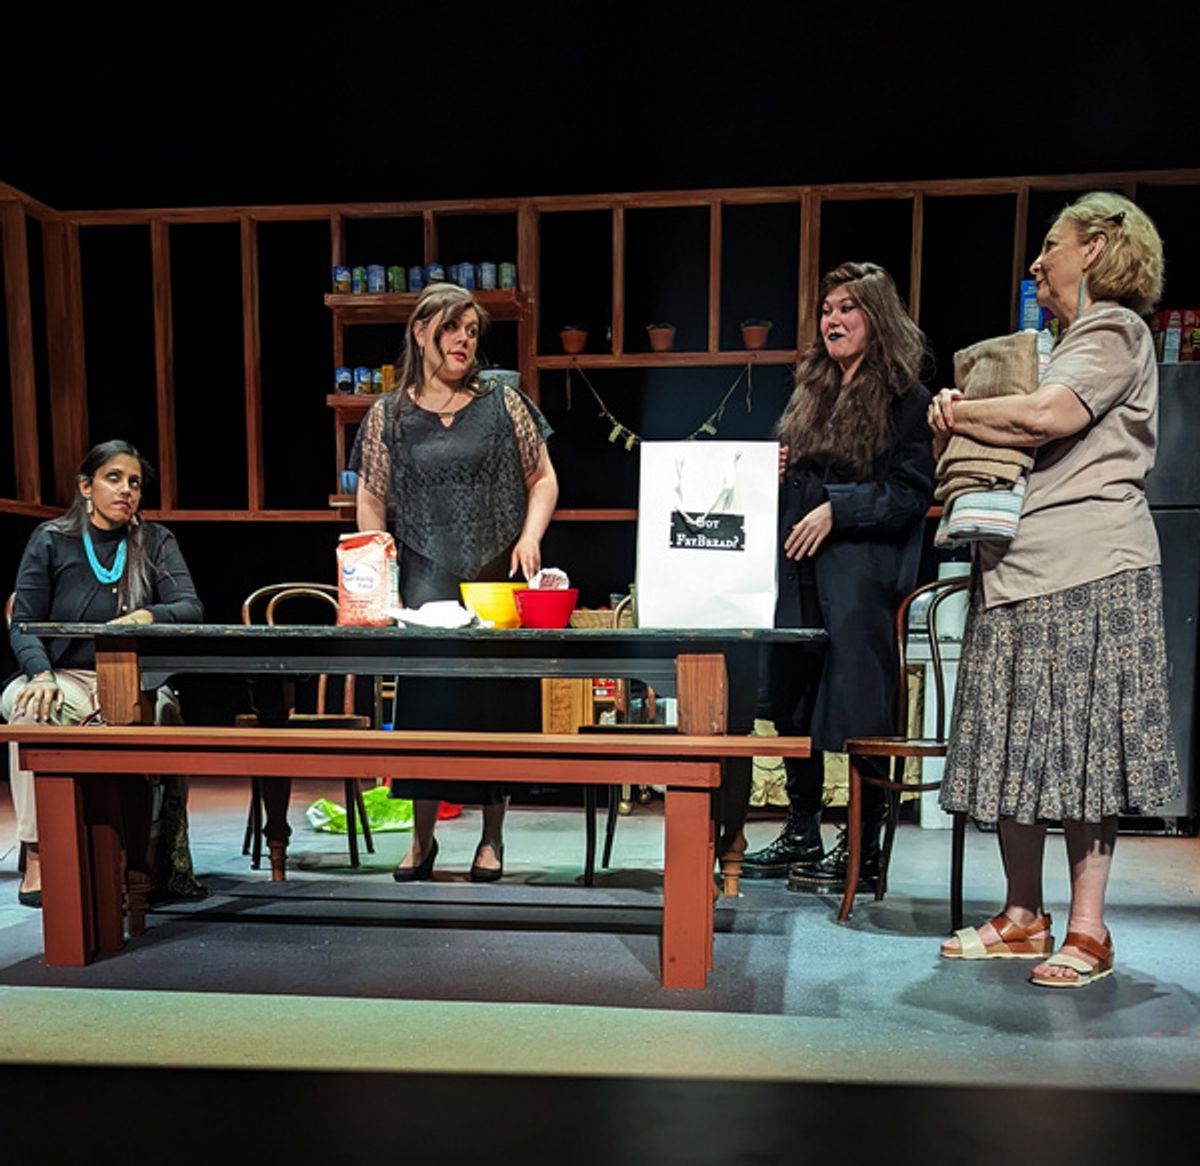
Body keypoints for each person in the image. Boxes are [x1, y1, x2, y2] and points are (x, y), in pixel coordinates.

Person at [933, 192, 1179, 986]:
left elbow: (1047, 416)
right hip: (1018, 568)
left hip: (1092, 568)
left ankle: (1088, 929)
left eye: (1052, 245)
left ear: (1098, 249)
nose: (1037, 263)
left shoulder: (1115, 331)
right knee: (1012, 745)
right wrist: (964, 416)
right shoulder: (1058, 341)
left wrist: (963, 411)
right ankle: (1021, 916)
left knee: (1080, 752)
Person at [741, 262, 935, 894]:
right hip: (798, 573)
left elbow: (910, 494)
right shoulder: (812, 390)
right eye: (827, 309)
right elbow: (802, 479)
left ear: (877, 319)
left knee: (858, 709)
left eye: (848, 308)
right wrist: (774, 470)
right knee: (795, 705)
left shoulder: (906, 397)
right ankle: (802, 830)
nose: (833, 319)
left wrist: (839, 508)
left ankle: (863, 842)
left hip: (861, 582)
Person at [354, 282, 558, 881]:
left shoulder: (503, 402)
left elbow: (543, 478)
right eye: (451, 328)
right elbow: (371, 495)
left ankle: (492, 841)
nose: (464, 340)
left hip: (495, 572)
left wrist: (530, 535)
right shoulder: (389, 414)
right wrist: (380, 567)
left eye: (471, 330)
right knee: (427, 709)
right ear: (421, 332)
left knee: (493, 708)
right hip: (424, 576)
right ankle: (422, 841)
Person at [2, 440, 206, 906]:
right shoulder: (52, 539)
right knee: (27, 708)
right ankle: (39, 857)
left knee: (160, 715)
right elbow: (24, 621)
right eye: (113, 478)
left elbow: (190, 606)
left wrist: (147, 616)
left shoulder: (154, 542)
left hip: (137, 677)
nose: (126, 490)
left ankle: (142, 858)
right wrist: (40, 675)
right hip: (65, 677)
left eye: (134, 482)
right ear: (85, 487)